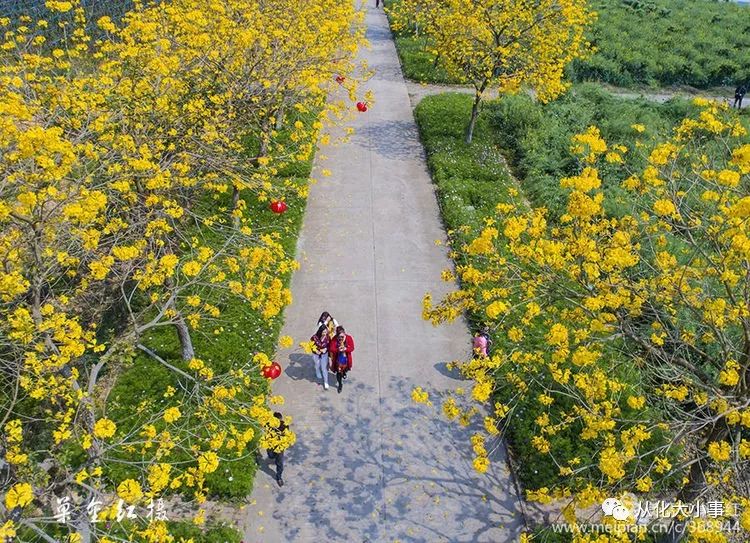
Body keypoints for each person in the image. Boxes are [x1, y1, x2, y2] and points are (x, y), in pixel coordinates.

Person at [328, 326, 354, 393]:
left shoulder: (349, 338)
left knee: (345, 369)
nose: (341, 338)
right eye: (339, 337)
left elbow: (352, 348)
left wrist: (346, 349)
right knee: (338, 373)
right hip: (337, 361)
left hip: (346, 360)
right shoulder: (334, 339)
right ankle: (340, 384)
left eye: (343, 336)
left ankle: (344, 372)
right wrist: (338, 349)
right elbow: (331, 348)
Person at [266, 412, 288, 487]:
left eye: (280, 420)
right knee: (271, 455)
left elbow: (286, 435)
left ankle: (279, 477)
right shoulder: (269, 424)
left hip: (280, 446)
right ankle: (274, 457)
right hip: (271, 444)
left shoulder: (284, 425)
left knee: (280, 463)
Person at [311, 325, 330, 390]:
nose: (325, 334)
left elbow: (329, 346)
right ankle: (317, 371)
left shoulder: (327, 337)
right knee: (317, 364)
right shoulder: (314, 337)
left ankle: (326, 382)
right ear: (320, 331)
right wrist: (316, 350)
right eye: (323, 332)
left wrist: (326, 349)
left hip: (324, 354)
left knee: (324, 368)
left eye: (326, 332)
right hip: (316, 354)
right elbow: (310, 346)